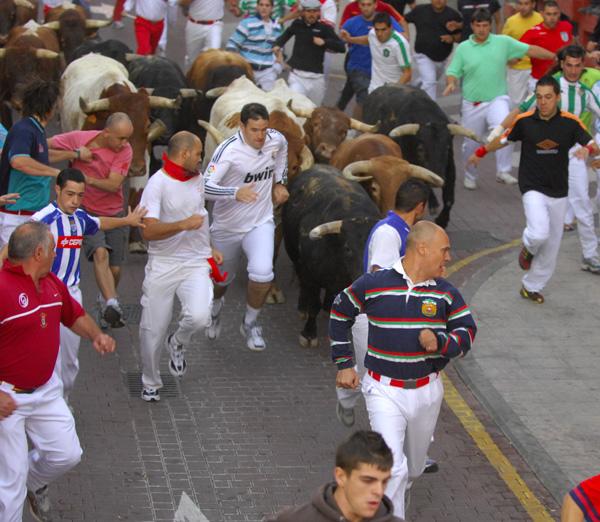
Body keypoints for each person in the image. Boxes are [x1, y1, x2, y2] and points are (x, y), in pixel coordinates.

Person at [330, 220, 477, 519]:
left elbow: (467, 332)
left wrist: (440, 341)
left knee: (412, 469)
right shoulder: (374, 284)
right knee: (392, 468)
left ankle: (402, 490)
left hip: (427, 392)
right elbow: (340, 310)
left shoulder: (446, 294)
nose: (449, 257)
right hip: (382, 390)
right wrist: (345, 364)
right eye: (444, 250)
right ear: (423, 249)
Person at [0, 221, 115, 521]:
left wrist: (96, 336)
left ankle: (31, 483)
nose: (57, 252)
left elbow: (72, 314)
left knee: (67, 454)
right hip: (7, 400)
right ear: (39, 252)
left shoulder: (51, 281)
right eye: (53, 247)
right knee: (9, 483)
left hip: (47, 389)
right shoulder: (2, 289)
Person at [467, 76, 597, 303]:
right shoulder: (524, 121)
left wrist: (590, 151)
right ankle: (528, 247)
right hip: (532, 188)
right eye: (539, 97)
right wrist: (481, 152)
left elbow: (591, 144)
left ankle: (531, 286)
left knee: (552, 246)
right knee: (538, 233)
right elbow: (503, 141)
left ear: (558, 97)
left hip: (559, 191)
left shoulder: (571, 122)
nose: (543, 102)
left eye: (548, 97)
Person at [31, 168, 146, 402]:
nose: (75, 201)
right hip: (42, 297)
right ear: (57, 190)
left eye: (80, 196)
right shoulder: (41, 220)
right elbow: (14, 248)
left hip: (71, 297)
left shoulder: (81, 218)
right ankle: (52, 405)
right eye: (70, 194)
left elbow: (100, 222)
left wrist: (127, 220)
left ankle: (64, 399)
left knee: (70, 360)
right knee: (47, 357)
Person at [336, 178, 430, 428]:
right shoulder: (389, 233)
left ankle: (404, 446)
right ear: (420, 207)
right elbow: (380, 276)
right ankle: (346, 398)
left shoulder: (405, 232)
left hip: (396, 320)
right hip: (375, 320)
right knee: (376, 383)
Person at [499, 46, 600, 274]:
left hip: (573, 155)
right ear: (562, 64)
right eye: (569, 65)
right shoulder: (547, 88)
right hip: (543, 157)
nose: (573, 71)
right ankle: (533, 244)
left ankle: (590, 256)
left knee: (582, 204)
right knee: (544, 210)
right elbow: (521, 110)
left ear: (583, 66)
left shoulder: (585, 93)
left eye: (578, 65)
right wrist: (497, 132)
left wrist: (592, 147)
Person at [137, 132, 222, 402]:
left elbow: (201, 216)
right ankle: (150, 381)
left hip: (195, 263)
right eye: (198, 153)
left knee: (199, 317)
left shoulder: (197, 179)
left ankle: (177, 342)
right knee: (152, 331)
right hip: (163, 264)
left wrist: (209, 247)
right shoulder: (156, 185)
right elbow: (147, 232)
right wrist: (181, 225)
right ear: (184, 154)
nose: (201, 158)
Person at [204, 103, 289, 352]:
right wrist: (234, 192)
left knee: (263, 273)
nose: (260, 136)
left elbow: (282, 151)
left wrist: (280, 182)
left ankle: (250, 323)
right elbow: (205, 187)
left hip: (260, 222)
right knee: (221, 280)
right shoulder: (227, 151)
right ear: (241, 127)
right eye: (254, 130)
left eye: (264, 129)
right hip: (226, 227)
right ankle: (216, 309)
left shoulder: (276, 140)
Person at [444, 7, 556, 190]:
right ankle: (470, 175)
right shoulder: (463, 48)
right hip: (472, 103)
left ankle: (503, 170)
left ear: (491, 26)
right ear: (472, 26)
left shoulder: (502, 42)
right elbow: (453, 71)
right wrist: (450, 82)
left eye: (485, 25)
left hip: (497, 98)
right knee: (470, 143)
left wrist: (555, 57)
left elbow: (530, 49)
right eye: (478, 25)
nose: (482, 29)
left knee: (507, 129)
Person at [48, 113, 134, 330]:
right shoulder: (81, 139)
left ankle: (105, 299)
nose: (125, 144)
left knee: (115, 269)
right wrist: (74, 153)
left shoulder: (125, 151)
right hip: (86, 212)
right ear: (106, 133)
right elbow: (43, 147)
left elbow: (114, 185)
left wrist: (85, 179)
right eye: (121, 138)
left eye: (127, 138)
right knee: (100, 253)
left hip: (113, 212)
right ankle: (112, 304)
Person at [268, 430, 402, 522]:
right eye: (368, 480)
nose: (379, 491)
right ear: (341, 476)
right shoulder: (297, 519)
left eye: (384, 481)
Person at [0, 80, 64, 248]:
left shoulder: (35, 130)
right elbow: (19, 161)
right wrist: (56, 173)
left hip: (28, 216)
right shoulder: (25, 130)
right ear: (49, 106)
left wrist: (75, 154)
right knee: (15, 269)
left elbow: (40, 157)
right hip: (15, 216)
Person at [272, 0, 345, 106]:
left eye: (315, 11)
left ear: (319, 13)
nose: (312, 14)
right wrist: (277, 45)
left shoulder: (324, 28)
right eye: (309, 11)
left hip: (317, 79)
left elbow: (341, 47)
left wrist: (325, 42)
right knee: (294, 106)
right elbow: (284, 36)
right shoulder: (297, 24)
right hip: (297, 77)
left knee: (314, 111)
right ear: (303, 12)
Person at [339, 0, 403, 116]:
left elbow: (400, 34)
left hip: (379, 70)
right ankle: (356, 130)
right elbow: (341, 39)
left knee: (351, 96)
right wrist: (343, 38)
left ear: (375, 5)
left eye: (369, 5)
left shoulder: (385, 21)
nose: (366, 8)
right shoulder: (351, 23)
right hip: (358, 68)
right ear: (359, 6)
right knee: (365, 98)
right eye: (363, 5)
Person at [404, 0, 463, 101]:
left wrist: (452, 38)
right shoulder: (420, 10)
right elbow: (403, 20)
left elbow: (461, 36)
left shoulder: (453, 15)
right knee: (430, 82)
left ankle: (415, 86)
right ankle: (429, 111)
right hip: (422, 55)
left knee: (428, 81)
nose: (438, 0)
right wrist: (406, 34)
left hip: (442, 59)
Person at [344, 12, 411, 94]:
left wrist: (393, 90)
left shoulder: (400, 44)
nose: (379, 34)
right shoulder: (372, 34)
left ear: (391, 28)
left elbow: (407, 74)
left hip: (393, 91)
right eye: (377, 30)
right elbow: (368, 39)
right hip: (374, 87)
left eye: (383, 30)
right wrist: (350, 39)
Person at [226, 0, 283, 91]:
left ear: (271, 8)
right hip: (247, 69)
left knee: (268, 99)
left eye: (267, 5)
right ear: (257, 7)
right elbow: (232, 44)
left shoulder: (277, 27)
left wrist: (278, 65)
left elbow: (279, 49)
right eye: (261, 5)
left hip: (267, 71)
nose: (264, 8)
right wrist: (234, 65)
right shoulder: (247, 23)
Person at [520, 0, 573, 88]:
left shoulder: (566, 26)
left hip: (563, 80)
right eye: (548, 14)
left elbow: (572, 44)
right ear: (542, 14)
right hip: (540, 81)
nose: (552, 18)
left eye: (555, 14)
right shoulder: (532, 33)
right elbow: (517, 51)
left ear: (559, 13)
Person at [501, 0, 543, 106]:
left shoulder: (541, 19)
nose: (523, 7)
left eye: (526, 3)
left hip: (537, 68)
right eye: (520, 3)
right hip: (516, 69)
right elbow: (503, 44)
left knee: (537, 103)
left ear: (533, 4)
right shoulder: (511, 22)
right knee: (516, 103)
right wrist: (508, 59)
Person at [181, 0, 226, 67]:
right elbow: (183, 3)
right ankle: (191, 76)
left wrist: (235, 6)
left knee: (214, 56)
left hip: (215, 25)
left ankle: (208, 76)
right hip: (195, 24)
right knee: (193, 59)